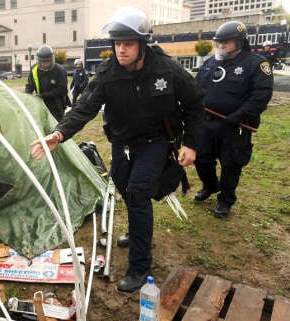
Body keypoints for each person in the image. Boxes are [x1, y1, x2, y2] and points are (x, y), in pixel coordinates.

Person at [29, 6, 204, 293]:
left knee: (137, 194)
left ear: (142, 44)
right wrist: (59, 134)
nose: (121, 50)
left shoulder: (166, 69)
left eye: (128, 44)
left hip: (155, 142)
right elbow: (84, 106)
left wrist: (192, 143)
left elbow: (196, 103)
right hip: (122, 143)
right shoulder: (108, 71)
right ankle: (138, 233)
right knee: (123, 188)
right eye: (117, 44)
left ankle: (140, 266)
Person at [194, 21, 273, 219]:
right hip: (207, 122)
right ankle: (211, 185)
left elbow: (261, 94)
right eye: (219, 43)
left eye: (225, 43)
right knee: (202, 158)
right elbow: (195, 88)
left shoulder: (256, 64)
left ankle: (226, 199)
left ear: (238, 42)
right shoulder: (211, 62)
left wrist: (240, 114)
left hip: (235, 125)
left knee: (231, 164)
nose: (221, 46)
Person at [25, 45, 69, 121]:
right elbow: (29, 86)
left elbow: (62, 89)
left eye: (46, 62)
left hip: (56, 105)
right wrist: (28, 97)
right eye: (41, 62)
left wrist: (44, 95)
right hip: (40, 104)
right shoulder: (34, 69)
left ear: (51, 60)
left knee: (56, 126)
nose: (44, 64)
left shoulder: (60, 70)